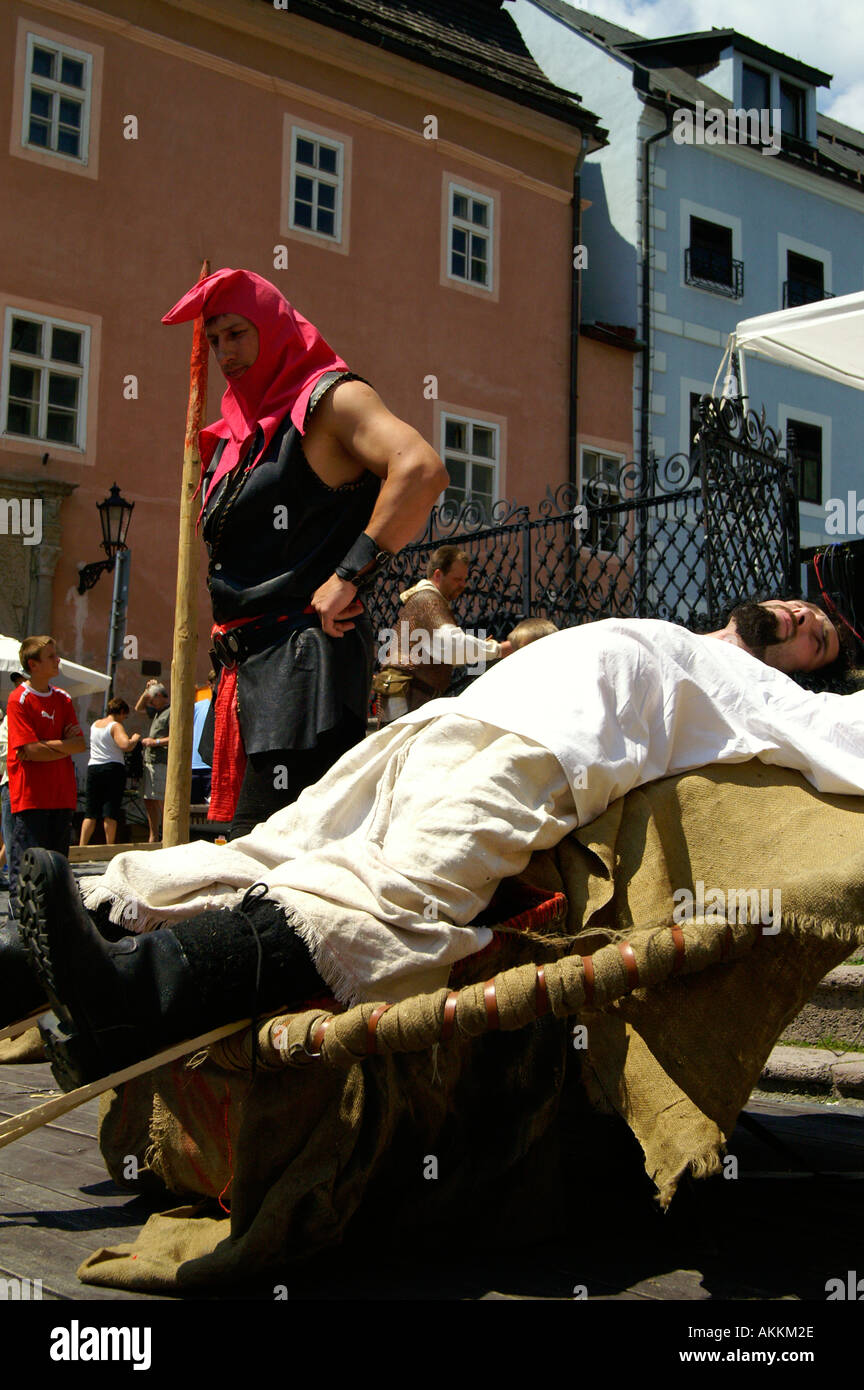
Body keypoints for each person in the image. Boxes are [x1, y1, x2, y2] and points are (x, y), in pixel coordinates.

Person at [8, 597, 860, 1092]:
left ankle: (133, 1001)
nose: (797, 614)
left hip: (551, 755)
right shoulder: (664, 625)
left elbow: (848, 734)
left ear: (803, 668)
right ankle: (24, 978)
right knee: (265, 852)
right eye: (800, 607)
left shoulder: (774, 699)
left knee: (391, 894)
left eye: (815, 634)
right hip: (435, 729)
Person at [161, 268, 446, 839]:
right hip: (247, 672)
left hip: (305, 661)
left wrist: (350, 573)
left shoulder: (331, 399)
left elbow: (420, 469)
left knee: (273, 854)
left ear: (273, 325)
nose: (225, 352)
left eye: (238, 333)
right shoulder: (242, 432)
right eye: (215, 340)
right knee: (244, 847)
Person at [375, 545, 512, 723]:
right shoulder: (428, 600)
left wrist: (477, 649)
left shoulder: (424, 600)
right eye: (457, 579)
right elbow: (451, 645)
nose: (463, 585)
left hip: (405, 692)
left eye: (464, 579)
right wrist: (499, 649)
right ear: (438, 575)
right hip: (407, 694)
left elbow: (436, 652)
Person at [5, 637, 85, 920]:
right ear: (33, 664)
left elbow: (79, 744)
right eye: (51, 656)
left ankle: (55, 922)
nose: (58, 660)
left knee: (58, 866)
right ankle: (21, 920)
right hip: (32, 797)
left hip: (62, 794)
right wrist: (59, 745)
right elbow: (28, 751)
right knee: (28, 865)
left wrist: (45, 745)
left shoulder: (63, 697)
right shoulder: (19, 699)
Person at [79, 699, 140, 847]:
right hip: (112, 768)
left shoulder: (95, 725)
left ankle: (81, 847)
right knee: (110, 811)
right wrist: (135, 738)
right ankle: (109, 846)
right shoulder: (115, 726)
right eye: (124, 716)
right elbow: (125, 745)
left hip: (94, 767)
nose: (124, 720)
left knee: (91, 812)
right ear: (121, 713)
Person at [134, 681, 170, 843]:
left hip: (161, 761)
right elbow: (138, 708)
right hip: (149, 761)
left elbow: (176, 736)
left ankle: (166, 834)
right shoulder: (156, 711)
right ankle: (153, 835)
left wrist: (154, 742)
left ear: (162, 696)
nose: (150, 701)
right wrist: (146, 690)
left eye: (153, 698)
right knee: (149, 799)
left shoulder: (170, 712)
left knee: (161, 799)